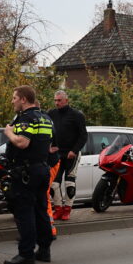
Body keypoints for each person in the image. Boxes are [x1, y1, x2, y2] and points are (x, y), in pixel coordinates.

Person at [1, 85, 55, 264]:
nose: (12, 101)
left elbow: (22, 142)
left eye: (14, 98)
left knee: (24, 212)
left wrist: (9, 132)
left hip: (26, 172)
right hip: (41, 169)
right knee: (40, 210)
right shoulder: (46, 118)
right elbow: (51, 145)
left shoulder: (26, 118)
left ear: (23, 99)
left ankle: (26, 254)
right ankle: (44, 250)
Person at [46, 90, 86, 221]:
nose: (56, 103)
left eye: (59, 100)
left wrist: (74, 150)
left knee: (69, 183)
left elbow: (83, 136)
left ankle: (67, 209)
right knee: (54, 184)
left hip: (71, 154)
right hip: (56, 155)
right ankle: (58, 209)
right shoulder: (51, 114)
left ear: (66, 101)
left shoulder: (77, 115)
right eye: (55, 100)